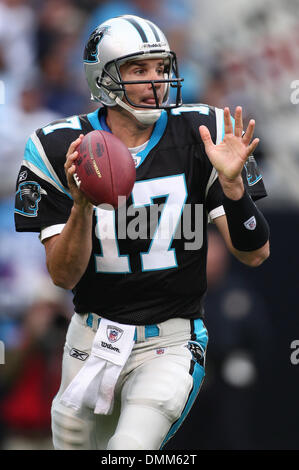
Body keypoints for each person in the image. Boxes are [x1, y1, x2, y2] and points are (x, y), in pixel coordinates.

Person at [14, 15, 270, 450]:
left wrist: (233, 190)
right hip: (91, 336)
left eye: (160, 67)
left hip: (170, 339)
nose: (156, 81)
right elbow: (63, 276)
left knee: (128, 449)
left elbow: (254, 253)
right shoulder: (59, 147)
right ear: (104, 78)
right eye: (138, 70)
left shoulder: (205, 131)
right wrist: (81, 206)